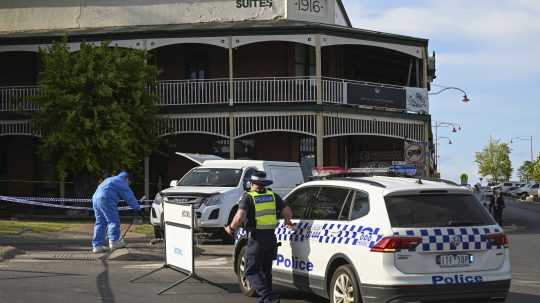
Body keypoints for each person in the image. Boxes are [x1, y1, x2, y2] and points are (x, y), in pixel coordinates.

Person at [224, 171, 294, 303]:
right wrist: (287, 221)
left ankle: (268, 297)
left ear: (252, 183)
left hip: (256, 239)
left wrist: (231, 228)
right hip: (271, 238)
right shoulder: (273, 196)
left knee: (251, 271)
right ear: (264, 184)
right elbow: (288, 212)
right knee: (266, 271)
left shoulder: (248, 197)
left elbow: (239, 217)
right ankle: (266, 299)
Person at [91, 170, 142, 253]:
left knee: (100, 222)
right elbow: (129, 196)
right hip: (106, 199)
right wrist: (137, 208)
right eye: (129, 183)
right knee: (113, 221)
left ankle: (97, 246)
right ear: (127, 179)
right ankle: (114, 242)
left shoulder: (110, 179)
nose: (128, 185)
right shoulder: (121, 181)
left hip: (95, 199)